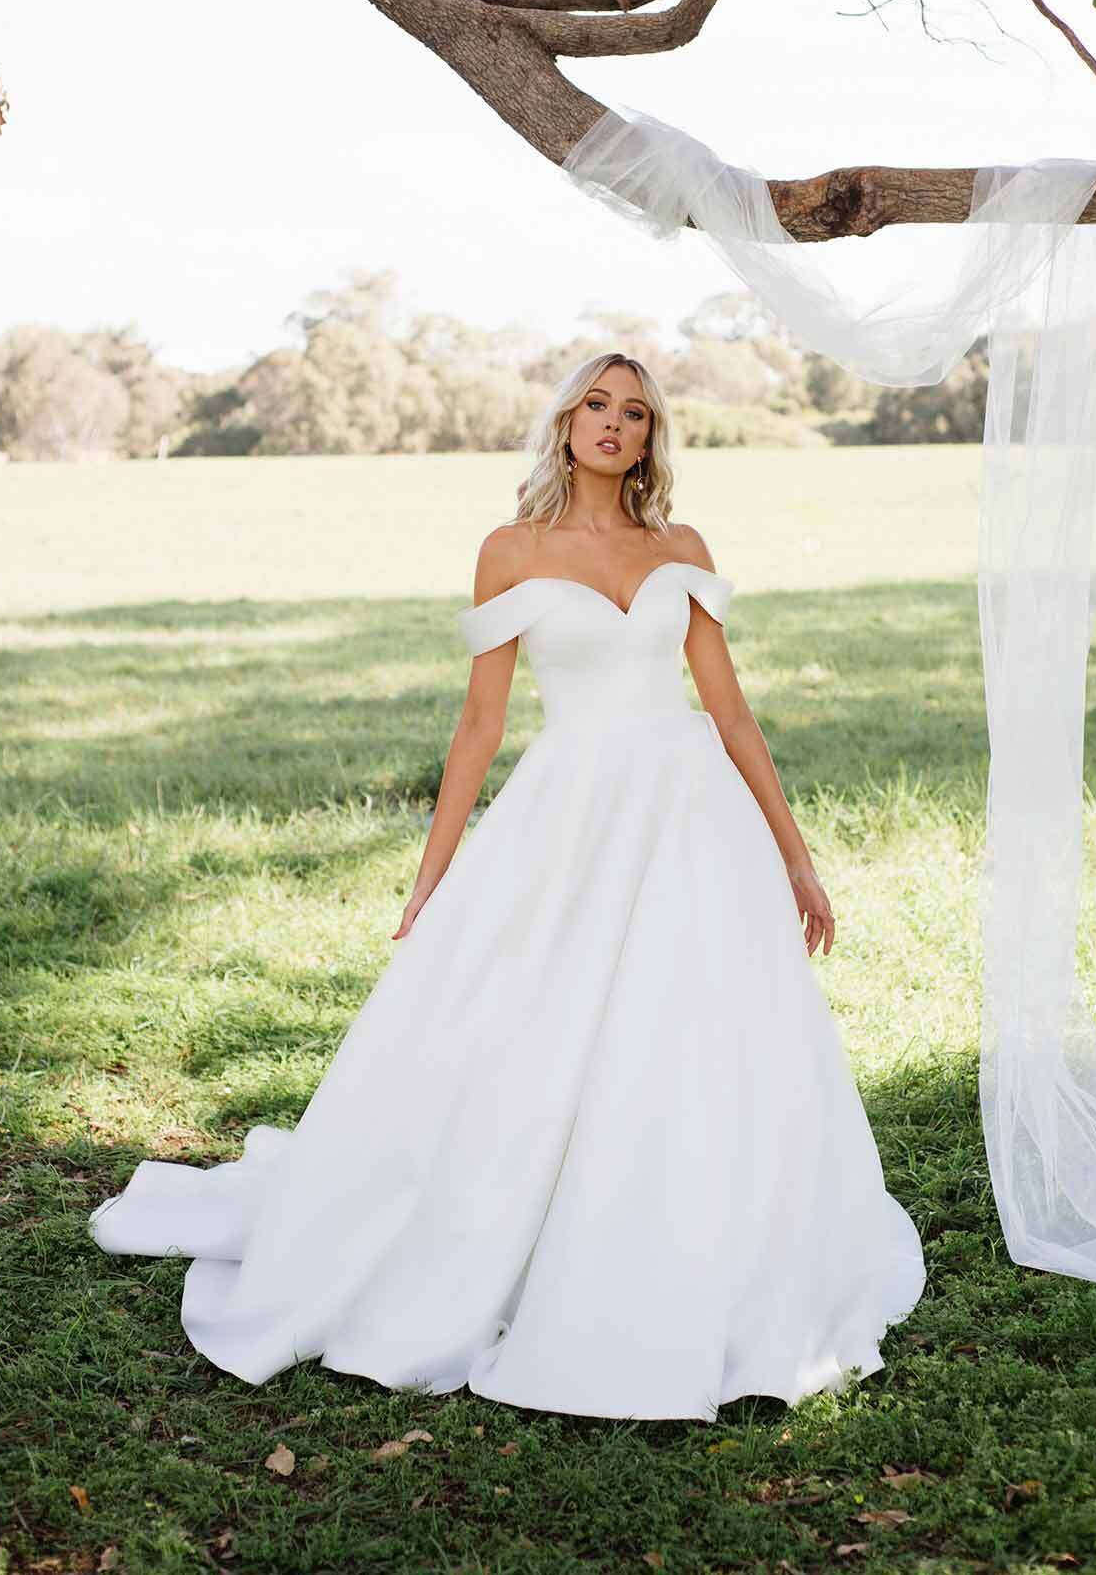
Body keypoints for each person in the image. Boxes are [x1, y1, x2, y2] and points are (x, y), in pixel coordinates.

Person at [90, 351, 926, 1420]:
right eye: (597, 405)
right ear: (567, 421)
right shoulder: (511, 549)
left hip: (688, 813)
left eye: (635, 412)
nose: (614, 423)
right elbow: (481, 724)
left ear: (652, 436)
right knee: (540, 1018)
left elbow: (729, 710)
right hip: (569, 814)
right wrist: (432, 876)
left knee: (691, 1023)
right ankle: (513, 1220)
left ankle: (688, 1229)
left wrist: (796, 858)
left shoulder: (681, 548)